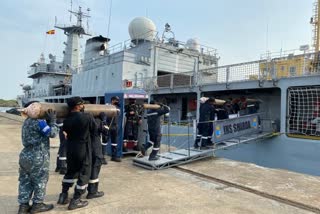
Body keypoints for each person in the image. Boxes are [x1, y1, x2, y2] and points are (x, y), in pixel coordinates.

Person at [18, 101, 58, 214]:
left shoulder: (26, 122)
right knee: (40, 180)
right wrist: (53, 121)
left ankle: (23, 206)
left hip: (25, 155)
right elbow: (53, 133)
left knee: (25, 181)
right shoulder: (40, 123)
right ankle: (37, 204)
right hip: (38, 156)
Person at [57, 96, 96, 210]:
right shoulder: (87, 117)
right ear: (78, 106)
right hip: (83, 149)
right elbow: (95, 131)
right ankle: (76, 200)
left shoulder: (67, 120)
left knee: (70, 171)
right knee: (84, 173)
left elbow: (66, 131)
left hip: (70, 149)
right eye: (82, 104)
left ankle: (63, 195)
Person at [86, 113, 108, 199]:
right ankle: (92, 192)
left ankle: (81, 190)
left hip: (86, 147)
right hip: (95, 148)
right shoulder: (98, 121)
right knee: (95, 168)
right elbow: (106, 132)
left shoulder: (84, 119)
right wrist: (104, 121)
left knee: (86, 169)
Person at [108, 96, 121, 162]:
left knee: (114, 142)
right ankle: (101, 157)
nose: (117, 101)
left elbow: (118, 113)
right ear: (112, 100)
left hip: (115, 126)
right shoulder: (107, 106)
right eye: (116, 100)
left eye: (117, 100)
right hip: (108, 126)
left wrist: (115, 107)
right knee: (104, 141)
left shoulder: (117, 107)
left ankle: (114, 156)